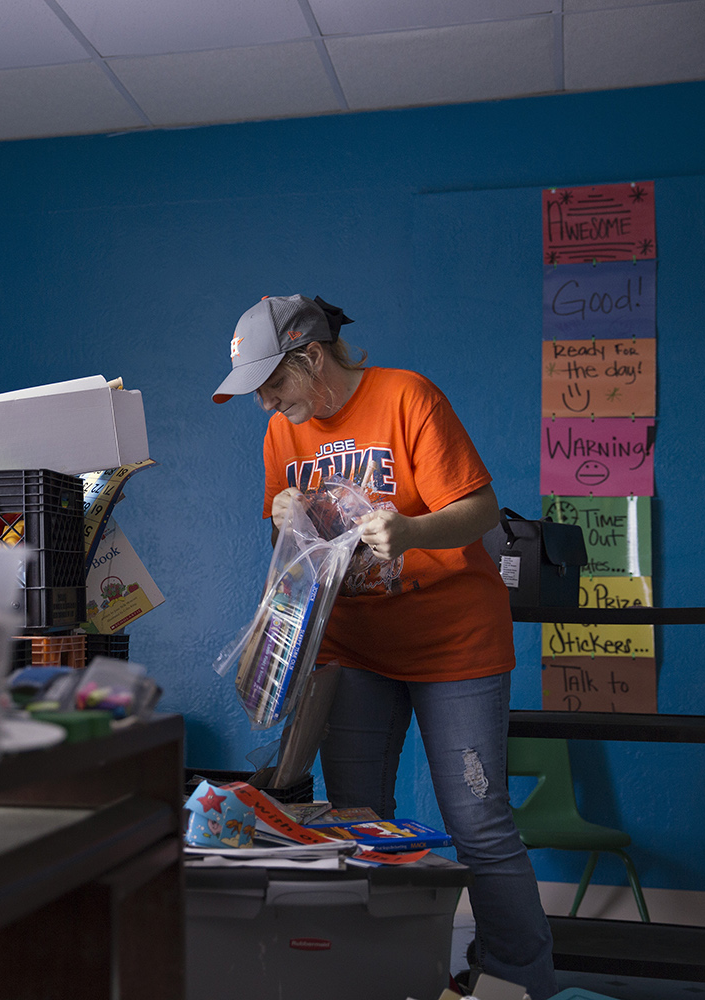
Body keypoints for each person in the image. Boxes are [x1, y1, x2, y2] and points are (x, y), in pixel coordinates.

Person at [212, 294, 557, 999]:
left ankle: (520, 986)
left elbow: (482, 511)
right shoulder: (283, 432)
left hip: (454, 644)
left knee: (479, 826)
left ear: (310, 357)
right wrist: (283, 517)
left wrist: (409, 532)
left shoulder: (408, 397)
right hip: (351, 647)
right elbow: (298, 553)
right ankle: (373, 979)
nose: (267, 404)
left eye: (273, 384)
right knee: (354, 821)